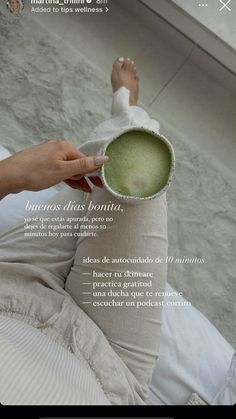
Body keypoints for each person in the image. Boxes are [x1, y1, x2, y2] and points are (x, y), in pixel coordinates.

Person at [0, 58, 169, 405]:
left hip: (9, 284)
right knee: (136, 153)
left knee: (94, 177)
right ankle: (126, 111)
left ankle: (122, 116)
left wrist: (12, 175)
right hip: (111, 371)